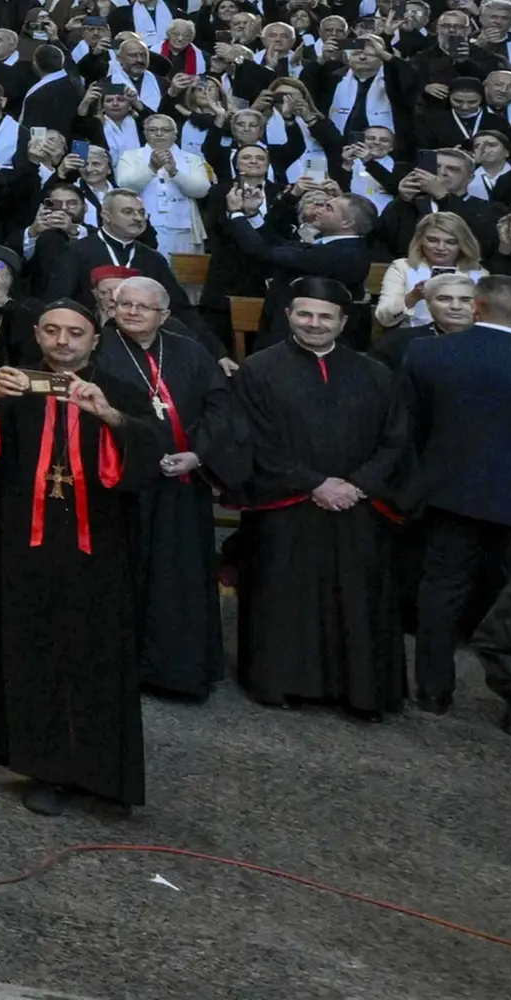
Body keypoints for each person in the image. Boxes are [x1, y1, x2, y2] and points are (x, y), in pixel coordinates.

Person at [0, 300, 149, 816]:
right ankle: (45, 770)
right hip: (27, 549)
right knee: (33, 654)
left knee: (97, 659)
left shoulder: (121, 390)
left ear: (94, 339)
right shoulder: (15, 387)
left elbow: (147, 456)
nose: (63, 342)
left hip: (99, 553)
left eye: (75, 333)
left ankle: (102, 773)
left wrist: (107, 415)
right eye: (52, 331)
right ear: (38, 335)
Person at [213, 288, 415, 717]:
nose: (314, 323)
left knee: (358, 597)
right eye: (304, 314)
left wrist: (357, 485)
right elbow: (254, 439)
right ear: (288, 315)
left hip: (358, 506)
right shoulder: (258, 370)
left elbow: (396, 440)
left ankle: (359, 693)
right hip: (286, 505)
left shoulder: (376, 373)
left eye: (325, 316)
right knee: (287, 598)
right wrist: (315, 483)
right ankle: (281, 684)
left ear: (343, 322)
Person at [88, 272, 228, 700]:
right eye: (123, 304)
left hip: (181, 485)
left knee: (177, 575)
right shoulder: (97, 351)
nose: (131, 312)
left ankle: (173, 671)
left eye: (143, 307)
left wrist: (198, 454)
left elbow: (220, 407)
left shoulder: (190, 352)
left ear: (164, 314)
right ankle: (114, 668)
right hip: (120, 484)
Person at [397, 273, 511, 715]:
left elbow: (409, 429)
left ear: (475, 307)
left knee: (441, 591)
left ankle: (434, 691)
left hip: (449, 493)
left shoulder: (427, 353)